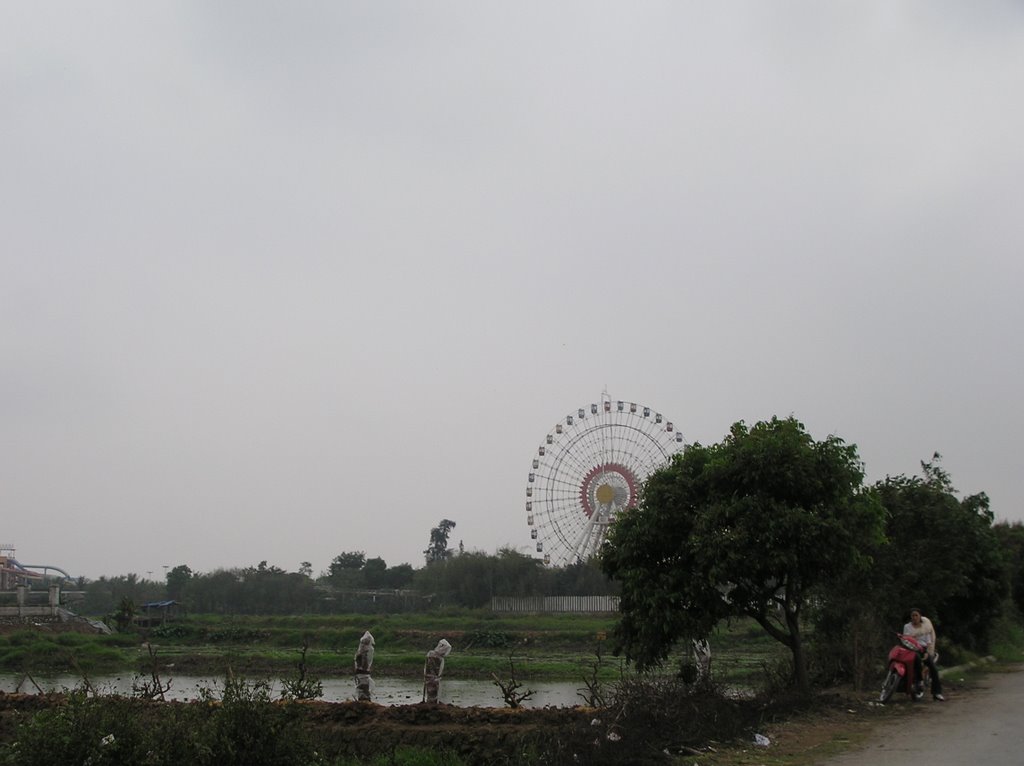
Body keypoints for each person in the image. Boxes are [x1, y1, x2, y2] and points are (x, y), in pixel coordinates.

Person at [903, 608, 945, 701]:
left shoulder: (925, 627)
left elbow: (928, 641)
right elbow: (906, 639)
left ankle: (937, 693)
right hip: (911, 649)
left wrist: (926, 652)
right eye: (912, 616)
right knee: (916, 658)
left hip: (923, 649)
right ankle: (919, 681)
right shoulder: (907, 627)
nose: (914, 617)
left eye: (916, 615)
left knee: (933, 668)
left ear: (920, 616)